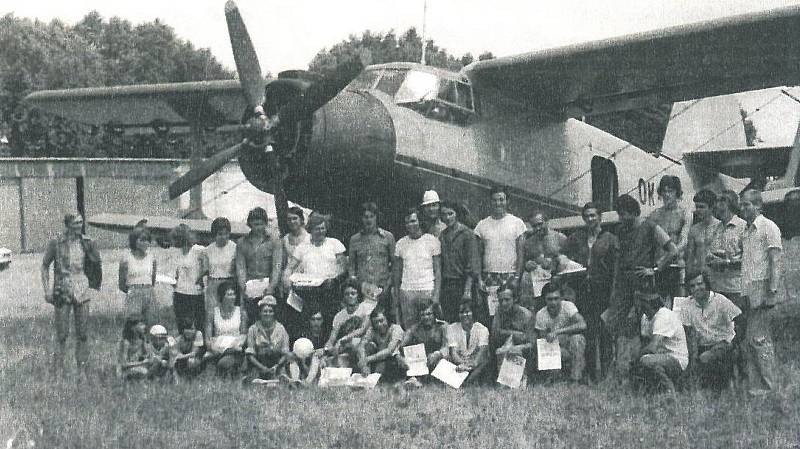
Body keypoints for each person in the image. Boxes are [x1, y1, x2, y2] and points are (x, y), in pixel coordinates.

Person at [606, 194, 677, 379]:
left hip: (643, 282)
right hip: (623, 283)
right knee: (619, 325)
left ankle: (644, 370)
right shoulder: (620, 230)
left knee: (645, 326)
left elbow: (673, 250)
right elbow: (618, 261)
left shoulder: (650, 226)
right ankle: (622, 370)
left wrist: (655, 269)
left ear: (633, 212)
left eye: (624, 214)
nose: (621, 218)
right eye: (619, 215)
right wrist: (615, 288)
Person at [41, 213, 102, 378]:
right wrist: (47, 290)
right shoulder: (56, 242)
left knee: (82, 333)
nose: (79, 226)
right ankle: (59, 371)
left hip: (82, 287)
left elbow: (96, 265)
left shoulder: (88, 243)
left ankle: (81, 370)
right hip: (62, 288)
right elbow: (45, 265)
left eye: (80, 222)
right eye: (75, 223)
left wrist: (93, 286)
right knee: (62, 334)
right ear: (67, 224)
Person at [561, 202, 617, 381]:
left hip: (604, 291)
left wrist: (614, 296)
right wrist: (564, 260)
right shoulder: (577, 237)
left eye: (593, 215)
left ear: (600, 217)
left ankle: (606, 375)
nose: (590, 219)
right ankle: (591, 375)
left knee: (605, 332)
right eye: (587, 216)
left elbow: (616, 269)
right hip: (583, 291)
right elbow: (562, 255)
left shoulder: (609, 238)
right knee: (589, 333)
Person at [739, 189, 783, 395]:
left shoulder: (769, 227)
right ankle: (756, 386)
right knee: (752, 339)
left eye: (747, 205)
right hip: (749, 288)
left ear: (758, 206)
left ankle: (767, 386)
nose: (743, 208)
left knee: (760, 339)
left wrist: (772, 291)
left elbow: (775, 261)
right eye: (742, 205)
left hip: (763, 287)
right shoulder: (747, 231)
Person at [283, 213, 347, 337]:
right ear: (310, 229)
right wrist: (286, 278)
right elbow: (290, 267)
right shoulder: (302, 247)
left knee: (328, 323)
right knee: (308, 323)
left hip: (330, 290)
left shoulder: (334, 243)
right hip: (309, 292)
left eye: (323, 228)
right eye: (317, 228)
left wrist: (333, 278)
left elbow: (343, 267)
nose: (320, 231)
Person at [474, 186, 527, 324]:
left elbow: (521, 254)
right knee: (492, 316)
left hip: (510, 275)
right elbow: (478, 256)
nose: (498, 203)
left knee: (511, 314)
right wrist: (479, 279)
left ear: (507, 201)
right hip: (489, 276)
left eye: (501, 199)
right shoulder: (482, 225)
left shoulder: (517, 223)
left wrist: (517, 277)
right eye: (495, 200)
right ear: (490, 202)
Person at [681, 270, 741, 389]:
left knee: (705, 358)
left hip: (724, 344)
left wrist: (733, 343)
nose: (696, 288)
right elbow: (688, 333)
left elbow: (740, 320)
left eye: (700, 284)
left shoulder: (720, 300)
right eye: (692, 286)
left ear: (706, 284)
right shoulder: (687, 305)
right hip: (702, 346)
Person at [393, 208, 442, 329]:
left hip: (427, 289)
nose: (410, 224)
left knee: (430, 327)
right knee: (411, 328)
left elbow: (438, 271)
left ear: (419, 221)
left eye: (413, 221)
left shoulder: (432, 241)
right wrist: (397, 296)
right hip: (407, 291)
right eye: (407, 222)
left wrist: (436, 295)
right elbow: (397, 273)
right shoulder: (400, 244)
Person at [631, 292, 688, 393]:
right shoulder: (645, 317)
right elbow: (645, 343)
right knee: (644, 362)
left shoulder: (663, 315)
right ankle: (655, 390)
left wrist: (636, 358)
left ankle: (670, 390)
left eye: (640, 303)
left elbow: (652, 347)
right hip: (660, 357)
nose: (637, 306)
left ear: (648, 303)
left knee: (646, 361)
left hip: (676, 359)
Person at [532, 282, 587, 382]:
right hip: (555, 347)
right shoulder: (541, 314)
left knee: (578, 339)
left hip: (570, 344)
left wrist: (558, 332)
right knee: (546, 350)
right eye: (550, 299)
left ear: (561, 298)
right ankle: (555, 377)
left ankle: (576, 379)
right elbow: (544, 342)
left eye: (556, 298)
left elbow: (582, 324)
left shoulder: (568, 306)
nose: (553, 302)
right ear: (544, 299)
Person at [236, 207, 282, 327]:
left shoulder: (274, 241)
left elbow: (276, 266)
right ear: (250, 224)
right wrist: (243, 286)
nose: (258, 228)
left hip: (269, 287)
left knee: (269, 321)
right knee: (250, 321)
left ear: (265, 223)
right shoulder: (241, 242)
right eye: (255, 224)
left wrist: (271, 287)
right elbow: (240, 267)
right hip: (250, 288)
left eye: (261, 224)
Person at [348, 202, 395, 316]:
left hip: (382, 289)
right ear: (361, 219)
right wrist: (355, 284)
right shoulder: (354, 239)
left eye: (371, 216)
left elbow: (395, 265)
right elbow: (351, 266)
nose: (368, 220)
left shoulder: (387, 237)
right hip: (362, 290)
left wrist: (388, 287)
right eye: (365, 217)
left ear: (376, 218)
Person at [647, 175, 690, 297]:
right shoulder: (655, 214)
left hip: (677, 266)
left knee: (678, 305)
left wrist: (669, 256)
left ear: (677, 192)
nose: (666, 195)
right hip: (659, 266)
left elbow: (684, 240)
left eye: (670, 191)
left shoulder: (685, 213)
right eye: (664, 191)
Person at [438, 200, 479, 323]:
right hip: (447, 286)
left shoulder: (467, 234)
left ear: (456, 214)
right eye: (444, 215)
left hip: (463, 284)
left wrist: (467, 290)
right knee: (450, 321)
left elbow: (472, 264)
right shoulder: (442, 235)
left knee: (465, 320)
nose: (447, 217)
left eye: (450, 213)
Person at [245, 296, 298, 382]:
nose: (267, 314)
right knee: (252, 379)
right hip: (259, 364)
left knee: (284, 374)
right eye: (265, 311)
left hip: (277, 364)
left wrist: (276, 366)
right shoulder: (253, 329)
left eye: (270, 311)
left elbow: (285, 352)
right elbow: (250, 354)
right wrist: (262, 368)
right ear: (260, 313)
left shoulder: (281, 329)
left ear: (274, 313)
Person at [398, 303, 449, 387]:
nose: (426, 317)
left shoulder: (443, 326)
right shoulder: (414, 328)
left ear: (434, 314)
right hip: (421, 362)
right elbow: (401, 345)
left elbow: (447, 347)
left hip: (437, 359)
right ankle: (415, 380)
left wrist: (437, 353)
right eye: (422, 315)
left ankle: (427, 380)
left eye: (429, 314)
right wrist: (399, 356)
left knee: (442, 362)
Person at [203, 217, 237, 335]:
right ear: (214, 234)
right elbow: (205, 271)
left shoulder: (234, 247)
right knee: (211, 316)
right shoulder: (208, 250)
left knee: (227, 314)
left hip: (228, 284)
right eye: (220, 234)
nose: (223, 236)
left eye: (226, 233)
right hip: (213, 285)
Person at [325, 279, 371, 367]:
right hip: (345, 347)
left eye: (353, 293)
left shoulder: (365, 308)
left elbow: (362, 329)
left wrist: (343, 339)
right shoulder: (339, 316)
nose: (350, 296)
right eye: (347, 294)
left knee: (354, 342)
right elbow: (332, 337)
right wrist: (326, 349)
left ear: (358, 295)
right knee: (320, 356)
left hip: (364, 345)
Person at [206, 281, 247, 376]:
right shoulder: (212, 312)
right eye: (229, 295)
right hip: (217, 347)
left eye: (234, 294)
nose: (232, 297)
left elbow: (244, 335)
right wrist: (212, 348)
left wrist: (235, 346)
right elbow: (207, 337)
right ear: (222, 296)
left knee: (224, 362)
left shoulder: (241, 312)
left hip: (234, 347)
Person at [492, 282, 534, 375]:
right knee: (501, 350)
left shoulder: (526, 315)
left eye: (507, 300)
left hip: (523, 349)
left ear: (515, 299)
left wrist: (518, 346)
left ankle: (517, 381)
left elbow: (531, 343)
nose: (503, 303)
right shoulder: (499, 311)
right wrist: (517, 334)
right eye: (501, 300)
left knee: (513, 351)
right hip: (504, 346)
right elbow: (495, 334)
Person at [171, 224, 206, 333]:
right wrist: (174, 280)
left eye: (177, 238)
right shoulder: (178, 252)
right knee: (182, 324)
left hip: (195, 293)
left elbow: (208, 266)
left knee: (199, 324)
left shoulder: (198, 250)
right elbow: (177, 271)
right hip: (179, 293)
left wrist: (200, 278)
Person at [118, 227, 157, 324]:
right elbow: (122, 284)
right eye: (142, 240)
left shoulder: (152, 258)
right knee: (134, 324)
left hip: (149, 293)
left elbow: (152, 280)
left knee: (151, 324)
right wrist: (134, 291)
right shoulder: (126, 259)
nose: (145, 243)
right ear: (134, 241)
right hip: (133, 293)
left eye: (147, 240)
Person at [447, 300, 490, 385]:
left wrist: (471, 365)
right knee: (446, 360)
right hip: (459, 363)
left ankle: (468, 381)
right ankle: (463, 381)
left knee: (485, 361)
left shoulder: (482, 329)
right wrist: (462, 365)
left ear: (473, 312)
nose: (464, 315)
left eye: (467, 312)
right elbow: (453, 353)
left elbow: (481, 353)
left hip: (475, 364)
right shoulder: (452, 328)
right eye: (461, 312)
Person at [357, 308, 406, 382]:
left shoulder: (396, 329)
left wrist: (367, 359)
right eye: (376, 322)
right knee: (368, 346)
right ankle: (367, 377)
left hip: (395, 359)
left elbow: (390, 350)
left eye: (381, 321)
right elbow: (361, 345)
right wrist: (363, 363)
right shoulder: (372, 330)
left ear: (387, 319)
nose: (379, 325)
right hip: (379, 358)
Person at [516, 211, 567, 280]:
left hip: (559, 278)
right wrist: (527, 264)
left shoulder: (559, 238)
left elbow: (570, 260)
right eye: (534, 226)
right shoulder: (529, 242)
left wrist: (558, 260)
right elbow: (523, 263)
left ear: (546, 221)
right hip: (538, 280)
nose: (538, 228)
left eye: (540, 224)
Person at [685, 190, 720, 276]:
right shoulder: (694, 229)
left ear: (711, 207)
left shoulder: (720, 227)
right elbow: (690, 258)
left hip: (717, 275)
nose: (698, 210)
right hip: (700, 276)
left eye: (702, 207)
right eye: (697, 207)